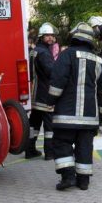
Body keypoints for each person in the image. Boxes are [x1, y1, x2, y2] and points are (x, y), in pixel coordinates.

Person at [47, 22, 102, 191]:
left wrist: (51, 101)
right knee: (85, 146)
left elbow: (58, 81)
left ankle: (68, 177)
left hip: (66, 114)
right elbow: (101, 90)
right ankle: (83, 180)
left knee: (61, 142)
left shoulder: (67, 55)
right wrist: (100, 116)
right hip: (89, 117)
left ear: (75, 36)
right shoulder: (98, 60)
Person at [26, 22, 58, 160]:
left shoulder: (35, 50)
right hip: (45, 93)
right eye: (47, 35)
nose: (50, 38)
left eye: (52, 35)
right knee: (49, 125)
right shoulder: (44, 52)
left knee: (34, 124)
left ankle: (30, 149)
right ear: (41, 36)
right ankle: (49, 153)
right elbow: (51, 72)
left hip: (35, 94)